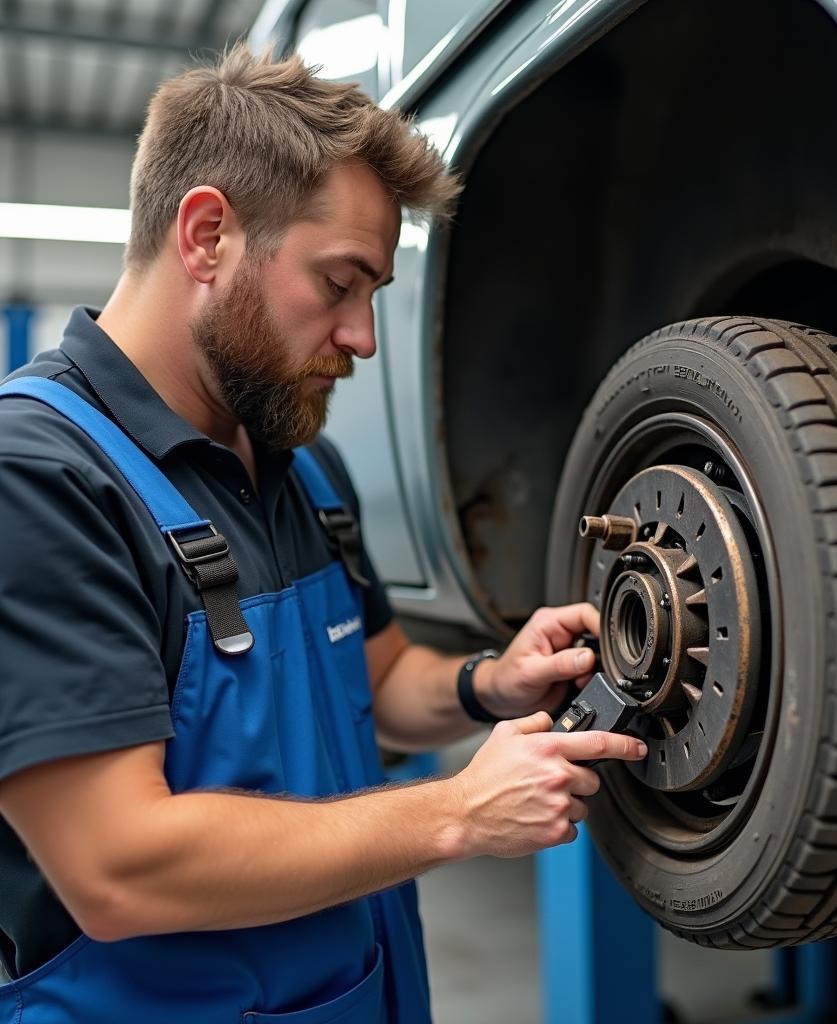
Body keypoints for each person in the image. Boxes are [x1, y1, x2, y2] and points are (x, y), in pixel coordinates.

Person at [0, 45, 646, 1023]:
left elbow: (376, 685)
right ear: (208, 236)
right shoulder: (40, 480)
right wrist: (455, 811)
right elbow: (117, 866)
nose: (362, 337)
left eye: (373, 294)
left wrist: (488, 681)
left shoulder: (301, 469)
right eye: (339, 282)